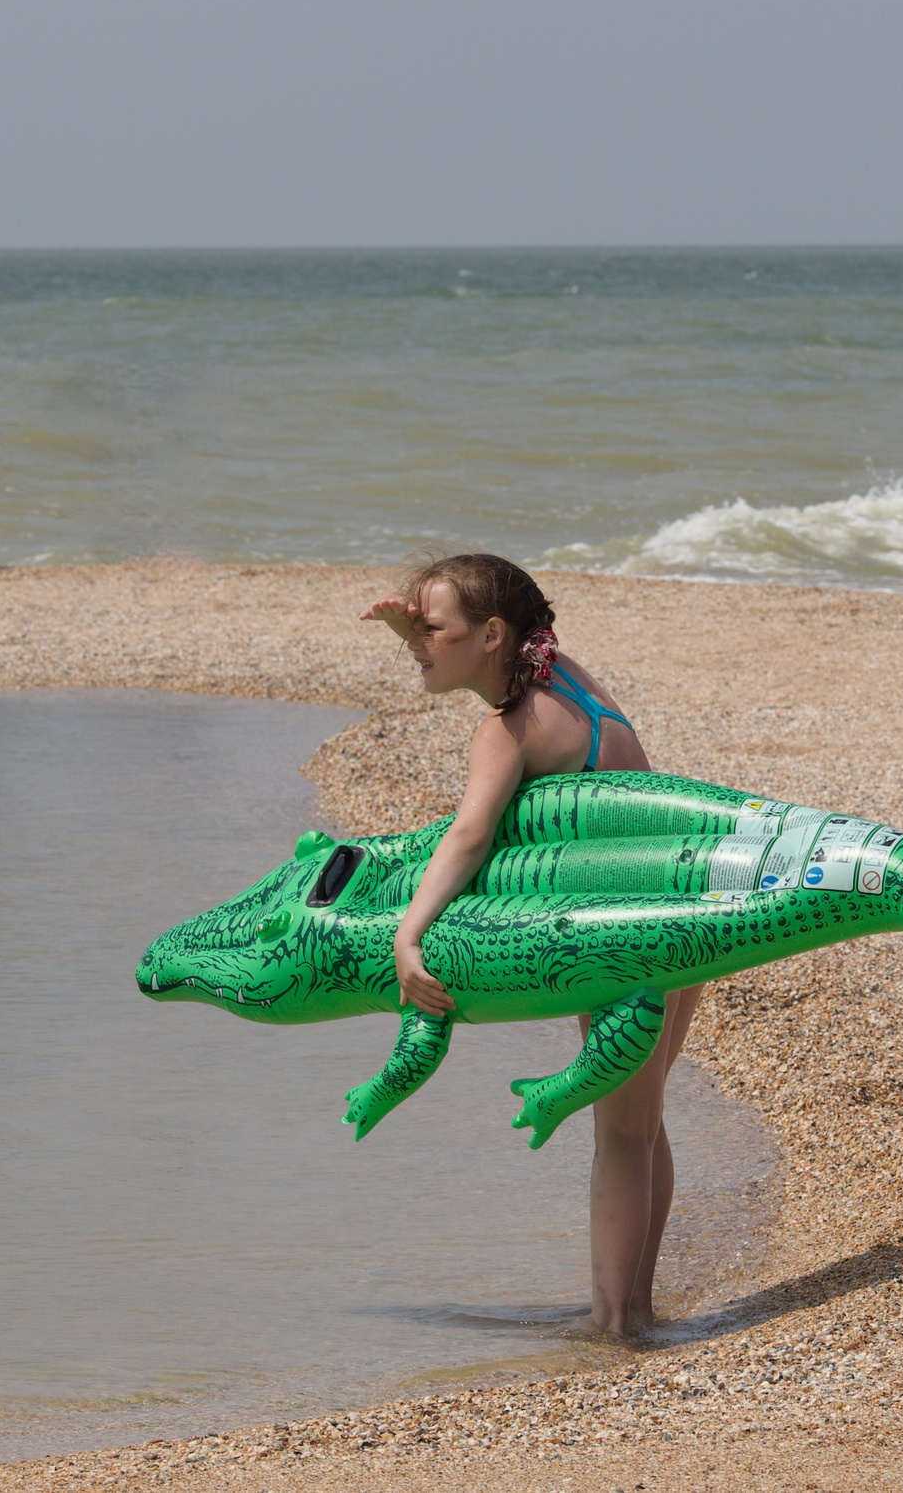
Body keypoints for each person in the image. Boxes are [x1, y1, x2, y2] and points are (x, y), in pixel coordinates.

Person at [359, 552, 699, 1338]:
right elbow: (489, 655)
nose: (419, 643)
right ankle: (637, 1307)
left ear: (492, 634)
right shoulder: (572, 684)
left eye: (431, 629)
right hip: (684, 920)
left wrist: (410, 934)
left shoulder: (506, 731)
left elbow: (469, 837)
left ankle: (614, 1326)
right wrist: (415, 630)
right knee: (639, 1122)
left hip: (625, 945)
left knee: (620, 1130)